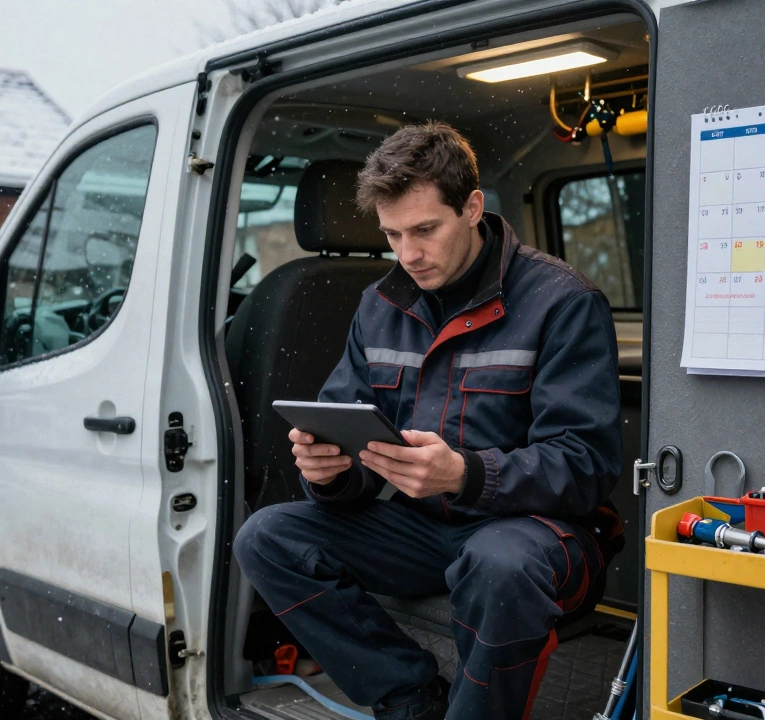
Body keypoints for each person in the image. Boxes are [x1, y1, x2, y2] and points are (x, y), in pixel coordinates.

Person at [234, 122, 623, 720]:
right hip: (421, 528)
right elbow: (356, 440)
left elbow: (586, 468)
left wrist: (464, 475)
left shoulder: (562, 302)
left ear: (472, 208)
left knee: (498, 563)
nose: (408, 254)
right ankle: (409, 697)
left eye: (424, 230)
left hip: (539, 533)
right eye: (392, 234)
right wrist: (330, 471)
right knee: (268, 536)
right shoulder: (380, 305)